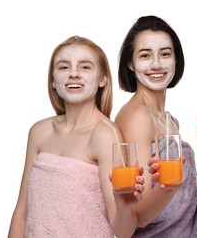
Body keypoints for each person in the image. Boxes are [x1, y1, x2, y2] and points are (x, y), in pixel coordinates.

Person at [8, 36, 145, 238]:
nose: (73, 74)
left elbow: (123, 232)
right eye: (64, 67)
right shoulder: (39, 132)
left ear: (102, 80)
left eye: (85, 67)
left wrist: (124, 208)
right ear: (53, 81)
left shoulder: (105, 134)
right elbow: (22, 211)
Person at [115, 15, 197, 237]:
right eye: (145, 55)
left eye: (165, 54)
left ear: (176, 60)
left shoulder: (167, 119)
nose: (156, 64)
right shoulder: (138, 117)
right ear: (130, 63)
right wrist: (167, 188)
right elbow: (136, 214)